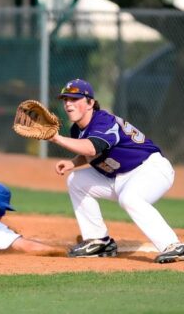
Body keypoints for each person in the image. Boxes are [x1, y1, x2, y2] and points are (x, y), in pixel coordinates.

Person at [48, 78, 184, 264]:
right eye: (65, 100)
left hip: (151, 170)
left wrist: (56, 138)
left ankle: (174, 246)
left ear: (90, 103)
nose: (68, 104)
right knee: (76, 180)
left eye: (74, 99)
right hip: (120, 177)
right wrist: (73, 163)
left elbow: (92, 148)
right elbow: (90, 152)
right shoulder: (77, 130)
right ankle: (99, 241)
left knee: (130, 198)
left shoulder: (103, 121)